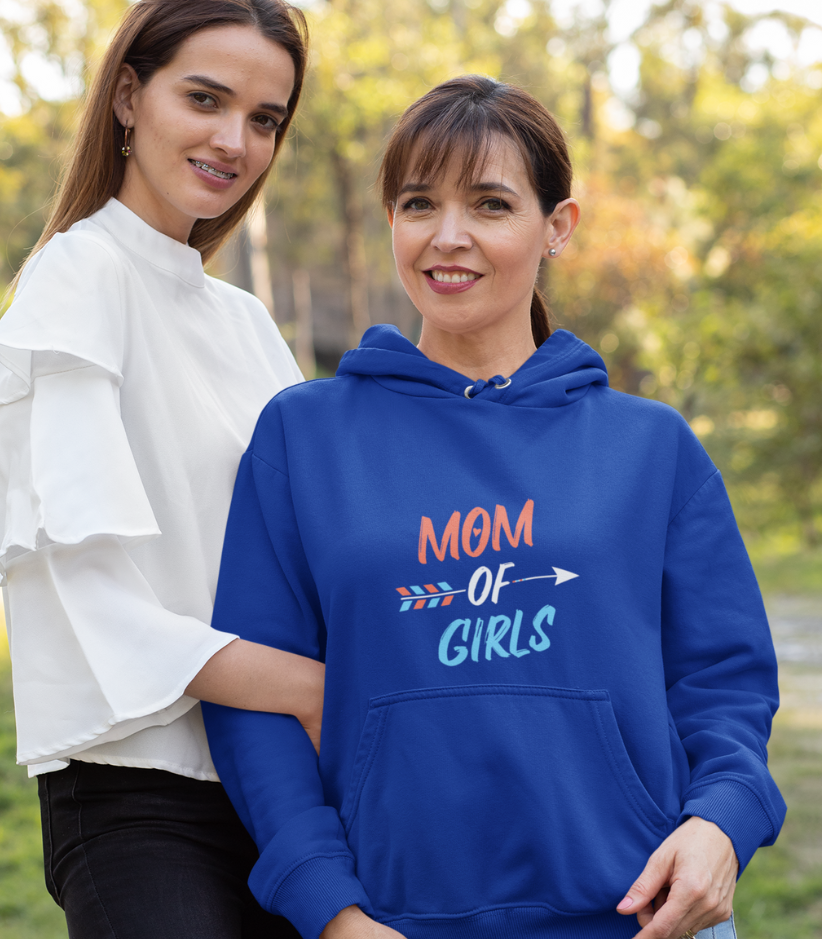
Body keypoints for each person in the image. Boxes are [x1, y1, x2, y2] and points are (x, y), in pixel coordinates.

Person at [202, 76, 786, 939]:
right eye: (417, 203)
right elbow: (253, 691)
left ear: (557, 227)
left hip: (638, 913)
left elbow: (724, 681)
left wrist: (720, 825)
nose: (448, 237)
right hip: (392, 922)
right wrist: (330, 908)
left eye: (490, 204)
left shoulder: (649, 446)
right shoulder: (304, 436)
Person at [0, 1, 320, 936]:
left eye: (264, 119)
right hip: (140, 800)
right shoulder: (75, 282)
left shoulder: (246, 322)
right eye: (203, 98)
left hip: (284, 789)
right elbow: (98, 604)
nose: (233, 140)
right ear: (128, 96)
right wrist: (320, 690)